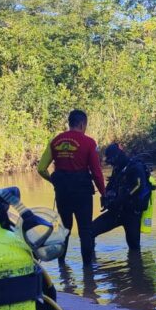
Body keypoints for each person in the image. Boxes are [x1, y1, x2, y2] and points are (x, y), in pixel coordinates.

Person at [37, 110, 106, 263]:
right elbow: (96, 172)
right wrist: (103, 192)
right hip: (82, 193)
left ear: (70, 123)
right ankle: (88, 273)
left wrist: (54, 182)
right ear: (82, 124)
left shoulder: (55, 141)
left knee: (65, 229)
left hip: (63, 193)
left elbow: (41, 168)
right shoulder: (89, 142)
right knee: (85, 230)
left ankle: (62, 266)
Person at [92, 143, 153, 251]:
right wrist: (107, 196)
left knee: (134, 248)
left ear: (117, 156)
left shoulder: (135, 167)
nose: (111, 164)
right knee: (90, 231)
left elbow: (138, 186)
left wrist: (120, 199)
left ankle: (135, 266)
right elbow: (111, 185)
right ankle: (91, 263)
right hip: (116, 212)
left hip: (132, 214)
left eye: (111, 160)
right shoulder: (118, 169)